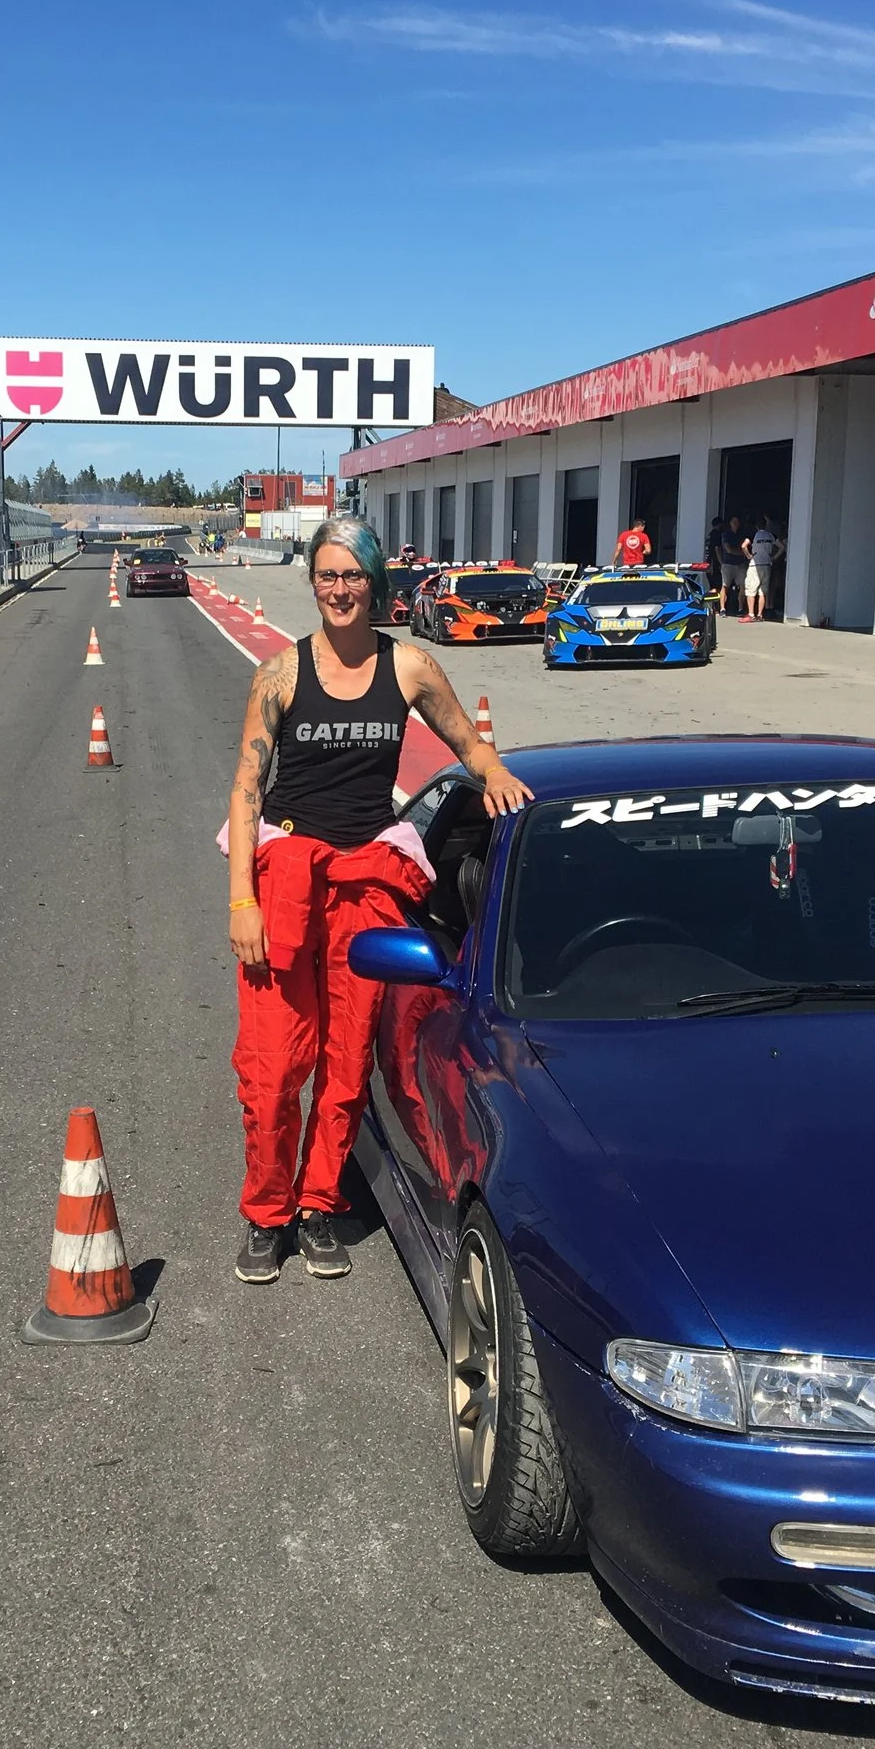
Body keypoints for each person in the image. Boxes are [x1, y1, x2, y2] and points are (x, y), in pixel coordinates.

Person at [224, 515, 530, 1283]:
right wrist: (241, 900)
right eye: (327, 575)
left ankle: (319, 1205)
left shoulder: (412, 667)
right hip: (287, 876)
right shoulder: (281, 674)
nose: (339, 589)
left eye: (352, 574)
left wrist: (493, 773)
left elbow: (467, 740)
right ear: (313, 581)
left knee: (347, 1058)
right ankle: (266, 1213)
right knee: (271, 1069)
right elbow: (245, 788)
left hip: (366, 880)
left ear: (375, 581)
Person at [743, 518, 781, 623]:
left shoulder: (753, 535)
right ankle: (760, 614)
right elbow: (782, 547)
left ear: (756, 526)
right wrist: (774, 557)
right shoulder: (771, 535)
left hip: (755, 565)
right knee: (763, 591)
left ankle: (751, 614)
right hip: (767, 564)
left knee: (751, 589)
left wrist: (749, 556)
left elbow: (743, 546)